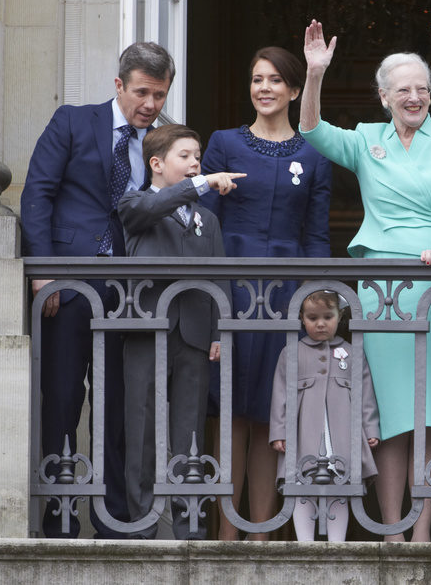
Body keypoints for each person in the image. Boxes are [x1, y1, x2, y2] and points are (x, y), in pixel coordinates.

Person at [299, 20, 431, 542]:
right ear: (384, 97)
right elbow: (311, 130)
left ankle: (421, 532)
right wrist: (313, 75)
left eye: (422, 88)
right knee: (391, 412)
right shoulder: (366, 140)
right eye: (403, 90)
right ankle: (390, 529)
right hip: (382, 285)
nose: (415, 97)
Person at [20, 41, 175, 538]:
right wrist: (42, 273)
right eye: (142, 93)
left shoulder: (163, 140)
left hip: (132, 288)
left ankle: (116, 520)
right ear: (118, 85)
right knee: (62, 396)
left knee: (120, 403)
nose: (150, 105)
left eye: (160, 95)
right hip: (68, 283)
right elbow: (37, 192)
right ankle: (61, 516)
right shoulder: (72, 121)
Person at [200, 46, 332, 541]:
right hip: (232, 284)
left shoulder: (314, 154)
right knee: (231, 408)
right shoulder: (223, 143)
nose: (264, 88)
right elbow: (204, 220)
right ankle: (226, 536)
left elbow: (317, 235)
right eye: (257, 79)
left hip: (287, 290)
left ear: (295, 90)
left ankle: (261, 537)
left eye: (275, 80)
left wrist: (316, 300)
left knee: (271, 410)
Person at [117, 124, 243, 539]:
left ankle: (190, 526)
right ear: (156, 164)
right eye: (185, 156)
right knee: (142, 428)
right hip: (147, 330)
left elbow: (219, 278)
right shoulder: (134, 203)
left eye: (198, 157)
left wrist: (220, 331)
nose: (194, 163)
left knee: (189, 432)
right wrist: (202, 183)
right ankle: (141, 527)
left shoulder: (207, 219)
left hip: (194, 332)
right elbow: (153, 210)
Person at [269, 290, 380, 542]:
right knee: (300, 485)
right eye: (312, 317)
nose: (320, 323)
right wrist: (279, 431)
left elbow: (365, 395)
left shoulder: (353, 352)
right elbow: (280, 395)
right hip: (303, 434)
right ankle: (305, 542)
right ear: (301, 318)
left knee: (341, 484)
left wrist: (370, 429)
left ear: (339, 317)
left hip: (340, 433)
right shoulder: (291, 352)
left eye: (327, 317)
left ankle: (337, 542)